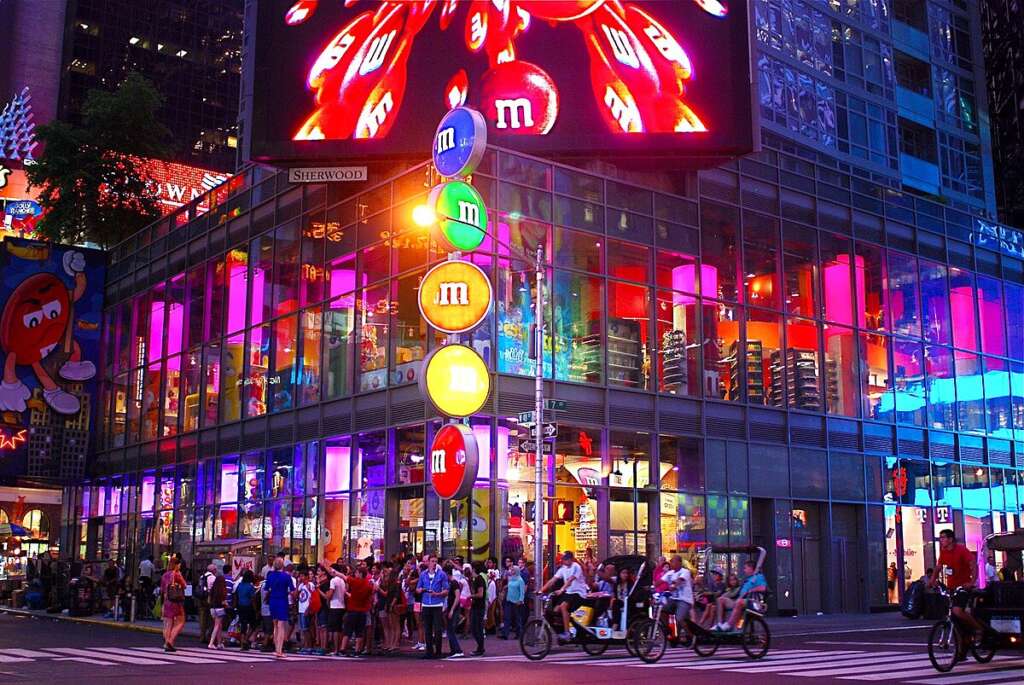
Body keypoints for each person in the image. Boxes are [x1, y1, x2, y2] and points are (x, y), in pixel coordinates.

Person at [928, 528, 982, 643]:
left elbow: (973, 564)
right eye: (940, 538)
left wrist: (972, 582)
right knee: (954, 617)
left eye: (943, 537)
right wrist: (932, 580)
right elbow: (938, 567)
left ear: (950, 539)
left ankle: (978, 629)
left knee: (957, 611)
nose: (941, 540)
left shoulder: (961, 550)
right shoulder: (943, 552)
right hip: (951, 587)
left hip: (963, 586)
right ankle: (961, 649)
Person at [539, 551, 590, 642]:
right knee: (555, 610)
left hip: (579, 593)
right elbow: (552, 580)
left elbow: (570, 580)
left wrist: (562, 589)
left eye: (565, 560)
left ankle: (567, 633)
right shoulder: (563, 569)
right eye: (563, 560)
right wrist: (541, 590)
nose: (563, 562)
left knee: (563, 606)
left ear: (571, 559)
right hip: (569, 593)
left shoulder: (576, 567)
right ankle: (562, 630)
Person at [714, 560, 766, 631]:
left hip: (752, 601)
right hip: (740, 599)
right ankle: (719, 624)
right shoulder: (748, 579)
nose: (744, 570)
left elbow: (763, 588)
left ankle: (728, 625)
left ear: (750, 568)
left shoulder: (758, 577)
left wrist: (751, 590)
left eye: (745, 568)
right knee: (720, 600)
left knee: (739, 602)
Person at [416, 555, 449, 660]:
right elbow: (418, 588)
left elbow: (446, 589)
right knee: (427, 629)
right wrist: (421, 590)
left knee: (438, 629)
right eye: (432, 561)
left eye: (436, 561)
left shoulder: (442, 574)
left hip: (437, 604)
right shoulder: (423, 575)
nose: (434, 563)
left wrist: (438, 594)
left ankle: (438, 651)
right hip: (426, 604)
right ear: (428, 562)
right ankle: (429, 651)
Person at [265, 557, 295, 658]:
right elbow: (292, 590)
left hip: (273, 600)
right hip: (282, 600)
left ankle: (276, 648)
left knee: (275, 624)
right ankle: (279, 650)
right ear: (283, 566)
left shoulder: (270, 575)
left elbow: (266, 589)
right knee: (281, 626)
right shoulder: (286, 576)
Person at [341, 566, 373, 657]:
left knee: (347, 630)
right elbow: (370, 596)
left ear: (360, 574)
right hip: (362, 611)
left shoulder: (355, 581)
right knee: (360, 632)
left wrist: (331, 569)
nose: (355, 574)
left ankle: (343, 649)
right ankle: (357, 650)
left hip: (352, 610)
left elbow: (343, 576)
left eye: (357, 573)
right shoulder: (368, 585)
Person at [159, 557, 186, 652]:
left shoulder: (164, 575)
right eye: (179, 564)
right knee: (181, 621)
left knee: (168, 623)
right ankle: (170, 640)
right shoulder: (177, 574)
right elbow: (184, 585)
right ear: (177, 565)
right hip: (175, 601)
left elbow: (162, 590)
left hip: (166, 601)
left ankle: (166, 643)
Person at [662, 555, 694, 631]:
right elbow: (661, 582)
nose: (671, 563)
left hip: (684, 600)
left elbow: (679, 581)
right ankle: (669, 630)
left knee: (678, 619)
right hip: (674, 599)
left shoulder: (685, 572)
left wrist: (673, 586)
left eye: (673, 561)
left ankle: (690, 634)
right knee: (662, 611)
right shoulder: (670, 573)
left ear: (679, 563)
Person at [445, 564, 465, 659]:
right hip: (451, 608)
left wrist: (452, 609)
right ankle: (453, 650)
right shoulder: (451, 583)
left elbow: (457, 597)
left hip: (454, 609)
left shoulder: (454, 583)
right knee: (449, 630)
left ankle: (457, 650)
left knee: (451, 631)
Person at [234, 569, 258, 651]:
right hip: (248, 606)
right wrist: (255, 609)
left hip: (240, 606)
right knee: (253, 624)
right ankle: (246, 639)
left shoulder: (240, 585)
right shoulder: (250, 586)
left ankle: (242, 642)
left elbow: (236, 595)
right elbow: (253, 599)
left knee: (243, 624)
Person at [326, 563, 347, 655]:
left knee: (335, 629)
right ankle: (338, 648)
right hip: (342, 605)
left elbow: (330, 594)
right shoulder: (342, 580)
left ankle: (336, 649)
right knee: (339, 628)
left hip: (335, 606)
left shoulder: (333, 580)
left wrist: (327, 595)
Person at [501, 565, 526, 640]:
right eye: (511, 570)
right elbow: (509, 586)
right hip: (509, 600)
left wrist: (520, 600)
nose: (511, 572)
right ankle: (505, 634)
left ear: (516, 571)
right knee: (506, 617)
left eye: (512, 570)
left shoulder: (520, 580)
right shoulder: (511, 579)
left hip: (516, 602)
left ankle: (519, 634)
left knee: (517, 619)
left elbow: (522, 592)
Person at [207, 565, 228, 649]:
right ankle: (211, 643)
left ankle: (219, 643)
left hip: (212, 608)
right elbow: (223, 601)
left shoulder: (213, 589)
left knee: (219, 625)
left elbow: (209, 598)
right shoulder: (222, 591)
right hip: (219, 608)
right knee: (217, 625)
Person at [468, 562, 487, 656]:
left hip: (479, 607)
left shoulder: (479, 579)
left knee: (476, 628)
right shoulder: (476, 579)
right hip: (477, 606)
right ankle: (480, 647)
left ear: (474, 569)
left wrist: (470, 596)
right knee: (476, 628)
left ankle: (480, 647)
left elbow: (480, 594)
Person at [196, 564, 215, 644]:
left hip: (201, 599)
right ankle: (208, 635)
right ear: (213, 570)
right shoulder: (212, 577)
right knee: (212, 618)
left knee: (202, 618)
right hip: (208, 599)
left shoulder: (202, 577)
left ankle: (202, 636)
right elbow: (212, 589)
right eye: (215, 569)